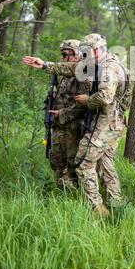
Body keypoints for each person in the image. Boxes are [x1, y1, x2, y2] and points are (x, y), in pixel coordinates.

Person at [23, 34, 131, 216]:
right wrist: (45, 65)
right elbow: (74, 68)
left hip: (107, 123)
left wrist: (87, 100)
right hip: (112, 122)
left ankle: (97, 210)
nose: (83, 57)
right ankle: (116, 205)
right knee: (105, 164)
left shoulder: (108, 69)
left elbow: (105, 97)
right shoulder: (100, 64)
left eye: (86, 53)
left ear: (96, 50)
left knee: (83, 162)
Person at [44, 40, 88, 189]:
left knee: (72, 163)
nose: (62, 58)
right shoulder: (62, 75)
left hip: (73, 128)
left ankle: (75, 194)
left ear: (76, 55)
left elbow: (82, 105)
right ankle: (61, 192)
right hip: (58, 126)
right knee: (56, 161)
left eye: (65, 54)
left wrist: (62, 113)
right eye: (61, 55)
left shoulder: (83, 74)